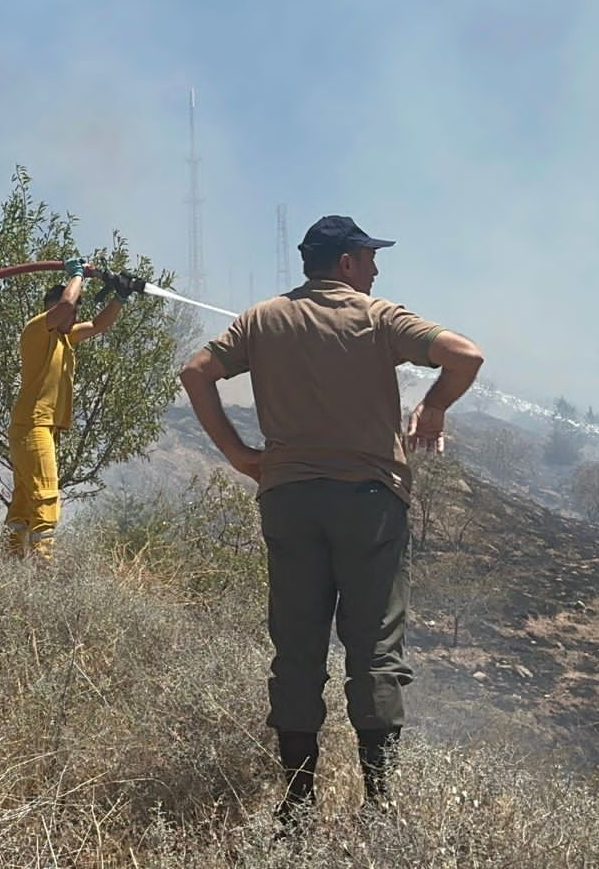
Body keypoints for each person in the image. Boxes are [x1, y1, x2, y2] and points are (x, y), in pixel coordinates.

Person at [178, 215, 484, 823]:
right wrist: (433, 408)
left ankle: (296, 804)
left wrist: (241, 457)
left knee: (297, 648)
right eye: (369, 258)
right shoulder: (378, 316)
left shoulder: (261, 319)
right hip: (368, 501)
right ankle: (379, 806)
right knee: (373, 650)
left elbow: (195, 373)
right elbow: (465, 355)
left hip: (289, 501)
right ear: (345, 263)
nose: (376, 269)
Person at [3, 257, 131, 559]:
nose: (74, 314)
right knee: (46, 494)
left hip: (40, 425)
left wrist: (120, 296)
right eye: (71, 309)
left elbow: (100, 324)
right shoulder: (37, 329)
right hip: (32, 424)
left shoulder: (66, 337)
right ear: (54, 308)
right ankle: (43, 565)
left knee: (24, 500)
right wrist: (77, 275)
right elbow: (63, 307)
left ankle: (10, 561)